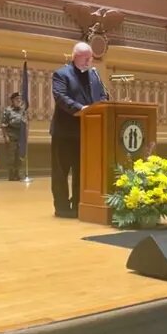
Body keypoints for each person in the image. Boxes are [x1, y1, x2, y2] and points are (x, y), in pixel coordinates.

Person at [50, 42, 108, 217]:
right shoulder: (61, 74)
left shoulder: (94, 75)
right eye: (85, 58)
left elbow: (103, 96)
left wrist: (103, 105)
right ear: (75, 56)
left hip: (88, 133)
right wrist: (80, 109)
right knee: (61, 172)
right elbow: (60, 97)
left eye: (90, 58)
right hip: (65, 132)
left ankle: (78, 204)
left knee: (81, 171)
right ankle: (61, 207)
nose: (88, 61)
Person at [0, 92, 27, 182]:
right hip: (11, 136)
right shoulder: (8, 110)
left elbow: (25, 123)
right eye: (17, 99)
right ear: (12, 100)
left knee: (19, 156)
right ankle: (11, 175)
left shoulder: (23, 110)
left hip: (21, 137)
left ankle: (18, 174)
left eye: (20, 99)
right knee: (11, 157)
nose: (19, 101)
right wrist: (5, 136)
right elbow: (3, 125)